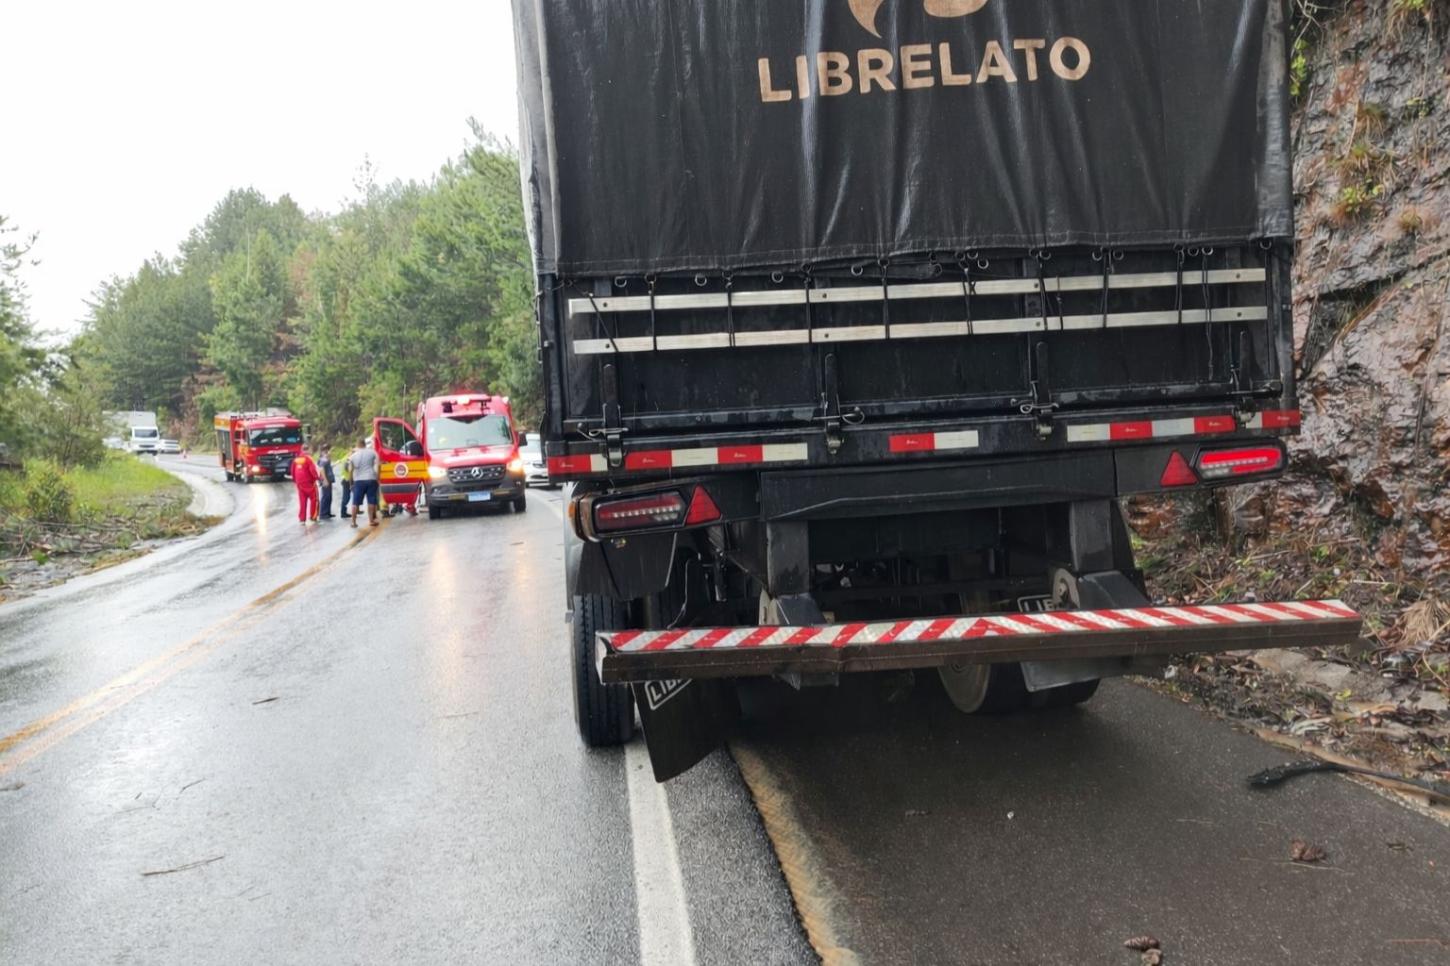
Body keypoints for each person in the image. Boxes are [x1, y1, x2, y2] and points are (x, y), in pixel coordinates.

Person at [349, 437, 380, 528]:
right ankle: (371, 520)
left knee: (355, 502)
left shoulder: (353, 456)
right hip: (371, 478)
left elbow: (350, 470)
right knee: (371, 500)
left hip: (358, 481)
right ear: (365, 444)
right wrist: (378, 478)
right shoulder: (372, 452)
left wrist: (351, 484)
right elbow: (378, 465)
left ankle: (353, 522)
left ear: (357, 445)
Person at [291, 444, 322, 525]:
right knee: (314, 499)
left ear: (301, 449)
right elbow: (313, 470)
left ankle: (302, 519)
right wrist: (318, 478)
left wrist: (296, 481)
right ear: (308, 450)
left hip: (300, 484)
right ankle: (313, 516)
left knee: (302, 501)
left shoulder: (296, 460)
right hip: (309, 483)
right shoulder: (308, 459)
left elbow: (292, 472)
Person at [317, 447, 336, 519]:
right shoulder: (323, 460)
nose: (328, 453)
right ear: (323, 452)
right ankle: (323, 513)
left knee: (329, 497)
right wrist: (325, 480)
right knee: (325, 496)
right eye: (326, 451)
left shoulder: (326, 460)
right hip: (326, 480)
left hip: (329, 480)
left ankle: (327, 512)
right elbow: (321, 470)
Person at [338, 449, 353, 519]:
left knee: (346, 496)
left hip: (344, 479)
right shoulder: (348, 460)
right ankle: (343, 513)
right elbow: (349, 470)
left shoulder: (344, 458)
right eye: (353, 453)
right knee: (346, 497)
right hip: (347, 480)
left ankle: (343, 512)